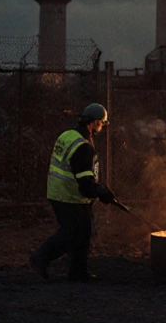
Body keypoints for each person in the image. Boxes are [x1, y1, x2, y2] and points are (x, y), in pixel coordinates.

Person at [29, 102, 115, 282]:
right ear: (93, 123)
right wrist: (100, 192)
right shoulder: (83, 146)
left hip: (60, 193)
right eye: (101, 123)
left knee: (83, 233)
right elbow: (84, 182)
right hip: (69, 196)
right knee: (71, 234)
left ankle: (78, 273)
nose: (101, 127)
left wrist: (99, 190)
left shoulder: (68, 135)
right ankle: (40, 258)